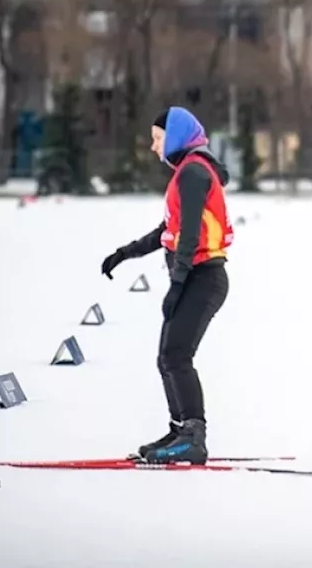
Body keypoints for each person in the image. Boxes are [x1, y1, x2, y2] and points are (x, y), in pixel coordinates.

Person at [100, 106, 233, 464]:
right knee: (167, 357)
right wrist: (124, 253)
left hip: (203, 278)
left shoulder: (192, 172)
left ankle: (193, 437)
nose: (153, 146)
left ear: (174, 137)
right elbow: (168, 232)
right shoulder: (188, 172)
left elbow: (190, 233)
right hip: (194, 276)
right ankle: (180, 429)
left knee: (176, 356)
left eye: (158, 138)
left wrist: (177, 285)